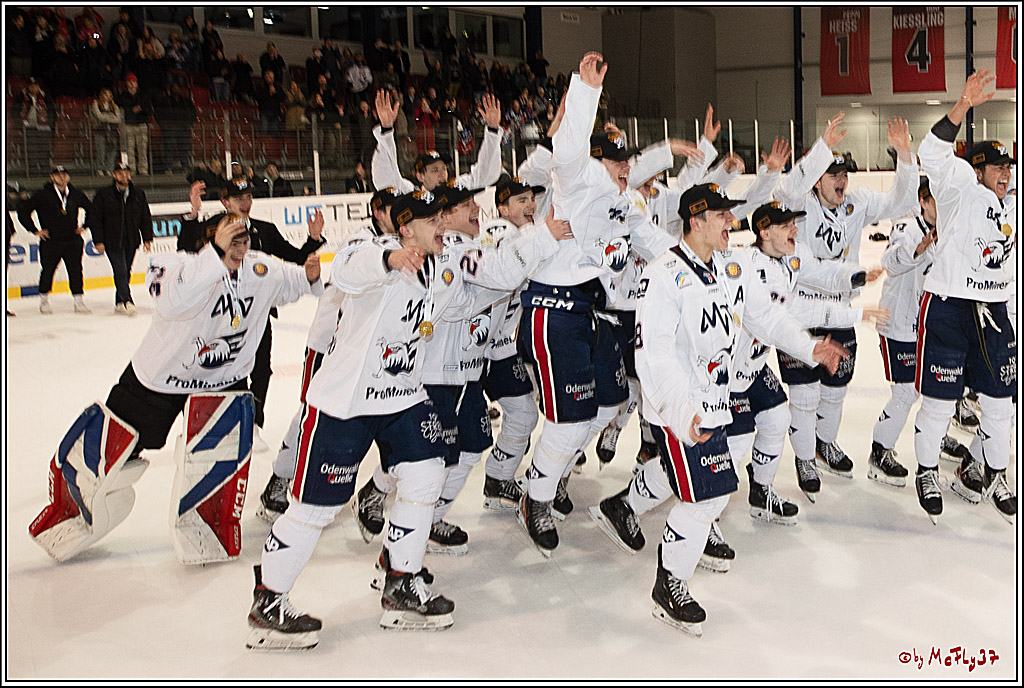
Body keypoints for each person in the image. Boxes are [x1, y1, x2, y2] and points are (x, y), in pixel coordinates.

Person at [245, 188, 566, 648]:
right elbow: (345, 271)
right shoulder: (372, 250)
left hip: (402, 396)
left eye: (441, 217)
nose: (441, 225)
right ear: (405, 227)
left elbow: (479, 289)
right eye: (430, 220)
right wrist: (391, 260)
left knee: (427, 475)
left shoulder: (444, 268)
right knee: (316, 508)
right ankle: (269, 599)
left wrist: (541, 239)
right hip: (346, 402)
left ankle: (400, 581)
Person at [616, 184, 846, 636]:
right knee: (704, 498)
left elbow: (767, 318)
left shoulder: (731, 267)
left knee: (715, 493)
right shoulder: (664, 276)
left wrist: (809, 346)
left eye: (730, 214)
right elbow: (654, 355)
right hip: (682, 412)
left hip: (715, 404)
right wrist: (683, 414)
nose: (730, 222)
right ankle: (670, 583)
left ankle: (633, 515)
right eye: (721, 215)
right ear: (695, 221)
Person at [29, 214, 322, 564]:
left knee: (218, 456)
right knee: (107, 447)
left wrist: (310, 274)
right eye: (231, 238)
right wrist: (216, 255)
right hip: (160, 378)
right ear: (208, 241)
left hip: (222, 382)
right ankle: (70, 509)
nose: (240, 245)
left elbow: (295, 281)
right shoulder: (170, 265)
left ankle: (207, 523)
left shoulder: (260, 269)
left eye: (244, 238)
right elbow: (173, 301)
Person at [511, 53, 674, 556]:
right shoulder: (579, 182)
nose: (626, 167)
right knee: (569, 418)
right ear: (598, 161)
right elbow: (567, 148)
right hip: (551, 311)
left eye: (629, 160)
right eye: (617, 160)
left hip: (588, 314)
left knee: (608, 402)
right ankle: (536, 496)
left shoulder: (624, 202)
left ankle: (552, 473)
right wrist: (584, 93)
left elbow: (656, 244)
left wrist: (708, 269)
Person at [772, 112, 917, 497]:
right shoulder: (799, 204)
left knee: (836, 387)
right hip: (802, 312)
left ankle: (824, 444)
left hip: (840, 311)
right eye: (833, 174)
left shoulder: (857, 202)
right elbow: (785, 191)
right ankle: (804, 457)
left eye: (844, 174)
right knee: (804, 395)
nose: (842, 180)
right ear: (818, 177)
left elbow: (901, 200)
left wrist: (904, 155)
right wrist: (821, 149)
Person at [257, 186, 405, 523]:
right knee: (311, 415)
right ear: (378, 212)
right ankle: (280, 479)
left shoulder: (401, 242)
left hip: (371, 351)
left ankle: (374, 489)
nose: (400, 216)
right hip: (328, 346)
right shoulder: (359, 241)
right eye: (393, 210)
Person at [912, 69, 1017, 524]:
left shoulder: (1012, 201)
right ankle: (927, 470)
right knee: (939, 401)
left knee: (1000, 404)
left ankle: (996, 472)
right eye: (997, 168)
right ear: (977, 171)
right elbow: (929, 151)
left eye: (1009, 167)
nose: (1006, 175)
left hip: (994, 314)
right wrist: (962, 105)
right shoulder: (958, 190)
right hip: (950, 307)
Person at [178, 177, 326, 447]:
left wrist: (313, 239)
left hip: (257, 315)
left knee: (261, 369)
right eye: (238, 199)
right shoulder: (214, 229)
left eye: (248, 198)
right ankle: (209, 421)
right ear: (225, 202)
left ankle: (254, 424)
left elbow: (295, 258)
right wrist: (193, 213)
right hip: (219, 317)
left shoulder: (265, 230)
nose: (245, 204)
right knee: (216, 366)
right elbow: (187, 252)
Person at [869, 178, 938, 487]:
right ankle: (880, 453)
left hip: (929, 325)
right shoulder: (906, 228)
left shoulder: (947, 230)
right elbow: (890, 261)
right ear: (923, 201)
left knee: (938, 391)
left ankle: (941, 437)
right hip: (899, 324)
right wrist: (919, 249)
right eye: (934, 199)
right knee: (905, 392)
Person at [371, 90, 502, 194]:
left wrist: (492, 129)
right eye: (434, 170)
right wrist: (386, 130)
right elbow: (386, 182)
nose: (442, 174)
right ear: (420, 176)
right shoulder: (413, 197)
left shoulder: (456, 190)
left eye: (443, 168)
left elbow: (485, 175)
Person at [18, 167, 93, 314]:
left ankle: (78, 301)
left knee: (76, 270)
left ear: (68, 177)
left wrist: (85, 226)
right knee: (48, 270)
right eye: (58, 175)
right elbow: (23, 211)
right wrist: (35, 230)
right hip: (51, 240)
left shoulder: (76, 194)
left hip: (72, 240)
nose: (62, 177)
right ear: (52, 177)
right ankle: (44, 300)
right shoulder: (42, 195)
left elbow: (91, 209)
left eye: (64, 174)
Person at [86, 162, 152, 315]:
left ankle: (119, 301)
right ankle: (128, 300)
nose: (125, 176)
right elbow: (95, 219)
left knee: (126, 270)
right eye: (121, 173)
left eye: (127, 173)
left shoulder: (138, 194)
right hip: (112, 240)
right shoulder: (103, 195)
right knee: (120, 270)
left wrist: (147, 238)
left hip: (131, 239)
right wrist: (98, 240)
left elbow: (144, 217)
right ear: (114, 175)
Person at [16, 78, 55, 174]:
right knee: (31, 150)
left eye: (35, 85)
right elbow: (15, 112)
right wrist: (20, 124)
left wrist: (51, 125)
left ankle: (45, 171)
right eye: (31, 85)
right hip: (29, 128)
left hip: (44, 128)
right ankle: (32, 172)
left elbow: (52, 111)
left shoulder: (45, 97)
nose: (33, 88)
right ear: (28, 86)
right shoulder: (21, 97)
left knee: (44, 151)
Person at [116, 74, 151, 175]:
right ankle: (131, 171)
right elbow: (120, 111)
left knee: (142, 149)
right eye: (129, 82)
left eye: (133, 82)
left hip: (141, 124)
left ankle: (143, 170)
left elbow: (149, 110)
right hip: (128, 125)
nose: (132, 84)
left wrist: (141, 108)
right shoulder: (121, 96)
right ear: (126, 84)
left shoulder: (144, 96)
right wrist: (131, 111)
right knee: (129, 150)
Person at [88, 88, 121, 174]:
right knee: (101, 151)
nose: (108, 97)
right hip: (100, 131)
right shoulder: (96, 104)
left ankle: (109, 169)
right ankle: (100, 168)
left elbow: (118, 119)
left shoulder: (114, 106)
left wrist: (106, 117)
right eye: (106, 94)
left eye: (109, 95)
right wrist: (110, 117)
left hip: (112, 131)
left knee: (111, 152)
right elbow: (99, 117)